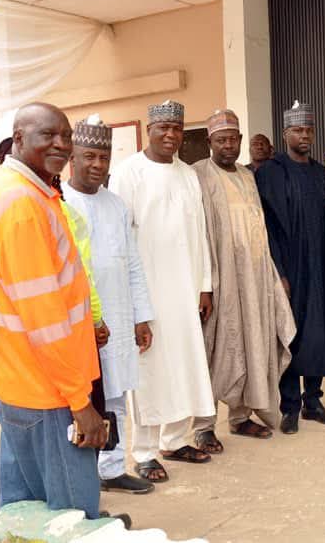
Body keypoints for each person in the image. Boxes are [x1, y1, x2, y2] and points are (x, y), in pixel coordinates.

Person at [0, 102, 105, 517]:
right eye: (48, 135)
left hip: (20, 380)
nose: (61, 144)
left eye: (66, 135)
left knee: (29, 511)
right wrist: (80, 404)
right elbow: (46, 323)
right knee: (71, 516)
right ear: (19, 139)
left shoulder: (15, 187)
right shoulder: (22, 204)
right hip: (47, 390)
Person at [109, 100, 215, 482]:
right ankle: (144, 452)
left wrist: (204, 287)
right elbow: (121, 239)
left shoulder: (188, 175)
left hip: (186, 288)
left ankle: (174, 440)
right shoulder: (128, 174)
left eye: (176, 128)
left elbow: (200, 234)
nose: (170, 135)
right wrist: (135, 305)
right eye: (163, 128)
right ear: (149, 130)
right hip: (148, 290)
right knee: (151, 371)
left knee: (183, 365)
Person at [62, 115, 156, 494]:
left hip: (116, 315)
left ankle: (113, 469)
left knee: (115, 394)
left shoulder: (117, 205)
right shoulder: (60, 203)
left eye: (103, 157)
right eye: (90, 157)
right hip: (76, 320)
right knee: (81, 399)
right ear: (73, 157)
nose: (98, 165)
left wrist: (141, 317)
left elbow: (132, 262)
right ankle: (82, 476)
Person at [192, 110, 294, 447]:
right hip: (220, 279)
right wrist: (204, 284)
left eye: (233, 138)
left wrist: (274, 276)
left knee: (253, 342)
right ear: (210, 142)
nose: (228, 145)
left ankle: (240, 417)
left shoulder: (249, 176)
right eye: (221, 140)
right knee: (213, 347)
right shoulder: (199, 176)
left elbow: (259, 231)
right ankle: (204, 425)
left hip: (253, 278)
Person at [256, 101, 325, 434]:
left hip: (320, 265)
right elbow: (266, 228)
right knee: (291, 336)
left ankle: (314, 401)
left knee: (318, 332)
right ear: (285, 134)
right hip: (290, 268)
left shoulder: (320, 171)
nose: (304, 136)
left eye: (308, 130)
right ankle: (290, 406)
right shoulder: (270, 172)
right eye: (297, 130)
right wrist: (279, 273)